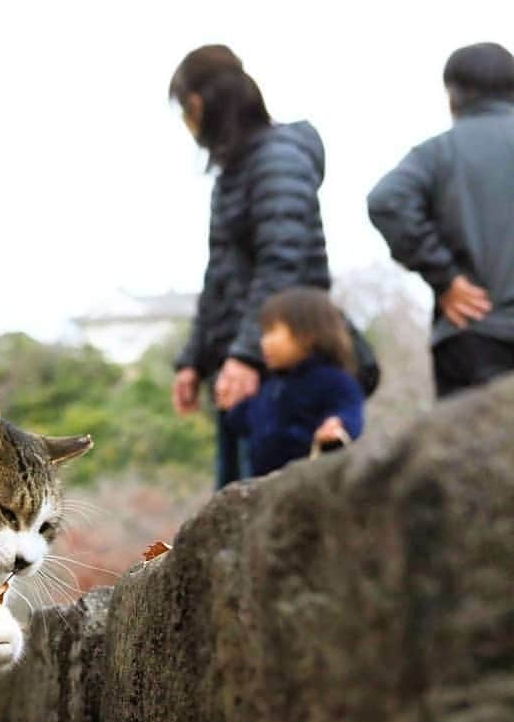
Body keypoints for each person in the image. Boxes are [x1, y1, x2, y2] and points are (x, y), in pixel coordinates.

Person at [169, 45, 334, 488]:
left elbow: (283, 265)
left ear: (199, 104)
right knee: (232, 522)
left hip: (280, 372)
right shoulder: (235, 171)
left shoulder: (276, 160)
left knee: (273, 519)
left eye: (185, 108)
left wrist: (247, 354)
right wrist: (194, 360)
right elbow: (220, 274)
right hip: (241, 372)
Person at [368, 42, 514, 398]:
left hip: (472, 333)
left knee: (474, 451)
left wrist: (445, 277)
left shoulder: (438, 153)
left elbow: (387, 200)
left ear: (453, 94)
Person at [224, 288, 364, 477]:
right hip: (265, 486)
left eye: (272, 332)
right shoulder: (271, 386)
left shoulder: (334, 381)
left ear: (307, 334)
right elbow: (247, 421)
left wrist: (337, 425)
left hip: (312, 482)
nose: (263, 342)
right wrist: (231, 406)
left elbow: (350, 411)